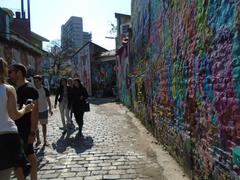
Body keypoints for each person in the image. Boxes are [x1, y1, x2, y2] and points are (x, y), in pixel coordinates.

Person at [0, 58, 34, 180]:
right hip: (7, 135)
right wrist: (25, 109)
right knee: (5, 175)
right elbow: (13, 115)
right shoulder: (8, 89)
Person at [9, 63, 39, 180]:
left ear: (19, 73)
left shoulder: (29, 89)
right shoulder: (15, 89)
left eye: (11, 72)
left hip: (25, 130)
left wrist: (32, 132)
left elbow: (34, 113)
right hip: (16, 129)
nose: (9, 74)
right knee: (26, 158)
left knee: (27, 158)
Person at [33, 75, 53, 146]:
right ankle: (38, 140)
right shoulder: (33, 90)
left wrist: (50, 109)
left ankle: (45, 140)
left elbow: (48, 100)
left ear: (41, 81)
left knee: (43, 125)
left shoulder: (45, 89)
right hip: (35, 110)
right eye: (34, 82)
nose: (35, 83)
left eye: (37, 81)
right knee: (35, 126)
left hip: (44, 109)